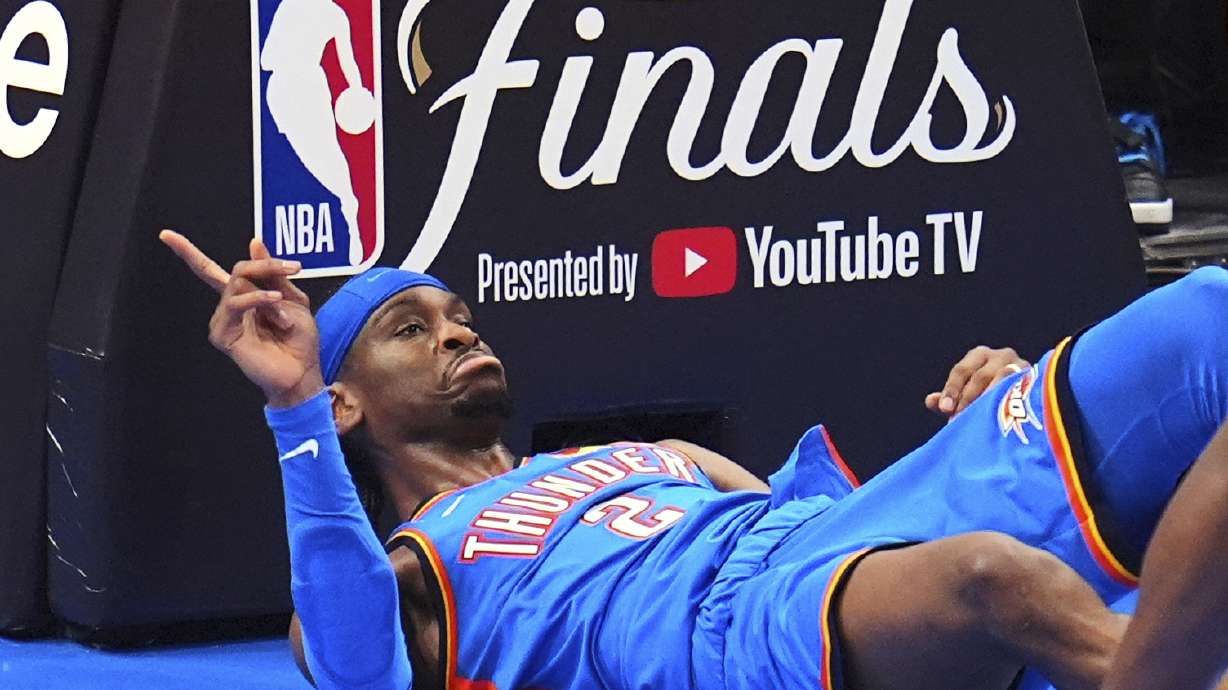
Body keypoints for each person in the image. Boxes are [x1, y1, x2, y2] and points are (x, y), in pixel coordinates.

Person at [161, 228, 1228, 690]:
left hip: (831, 541)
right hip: (723, 646)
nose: (455, 333)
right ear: (346, 398)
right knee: (995, 578)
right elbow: (353, 666)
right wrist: (293, 410)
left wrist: (969, 412)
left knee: (1205, 321)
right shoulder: (406, 577)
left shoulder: (656, 455)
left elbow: (832, 535)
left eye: (459, 314)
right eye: (410, 327)